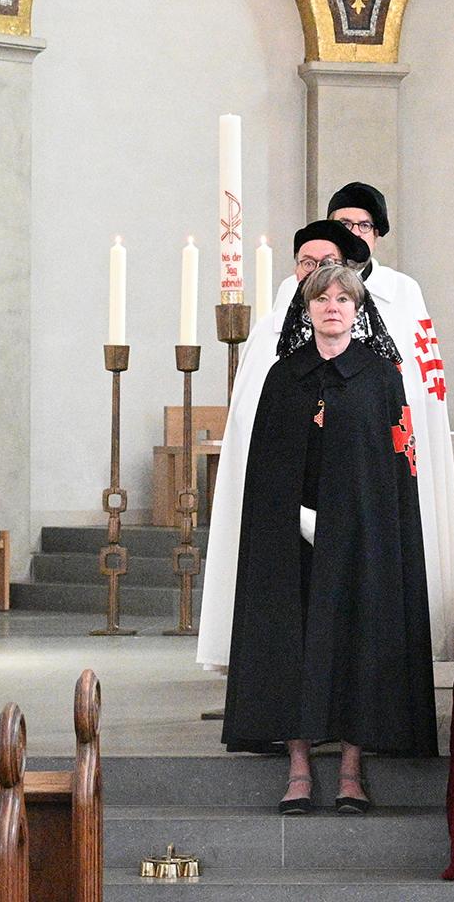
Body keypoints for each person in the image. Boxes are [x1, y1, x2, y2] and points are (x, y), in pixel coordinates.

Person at [220, 264, 437, 815]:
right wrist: (288, 515)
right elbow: (266, 462)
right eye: (321, 299)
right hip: (292, 535)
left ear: (357, 310)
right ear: (308, 309)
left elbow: (396, 463)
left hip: (361, 533)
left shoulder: (380, 376)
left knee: (358, 639)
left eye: (343, 298)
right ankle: (298, 767)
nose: (332, 307)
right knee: (291, 642)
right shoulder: (284, 376)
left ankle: (350, 769)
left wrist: (368, 522)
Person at [198, 220, 369, 673]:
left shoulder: (361, 341)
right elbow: (252, 418)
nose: (315, 270)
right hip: (281, 497)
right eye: (306, 262)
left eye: (327, 262)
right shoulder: (269, 332)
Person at [326, 183, 454, 659]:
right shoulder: (302, 289)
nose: (354, 232)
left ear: (378, 234)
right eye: (344, 224)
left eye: (363, 225)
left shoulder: (403, 292)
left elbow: (424, 379)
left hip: (383, 441)